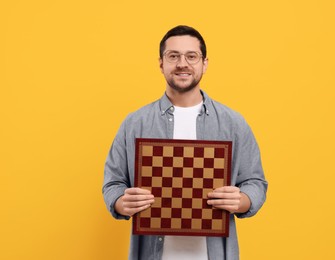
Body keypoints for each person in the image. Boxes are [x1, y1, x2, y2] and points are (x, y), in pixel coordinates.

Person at [103, 25, 268, 260]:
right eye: (173, 56)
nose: (183, 63)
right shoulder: (134, 123)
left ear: (205, 63)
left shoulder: (233, 123)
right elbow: (113, 184)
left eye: (191, 56)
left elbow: (256, 182)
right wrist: (121, 203)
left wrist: (242, 200)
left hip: (215, 253)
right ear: (161, 63)